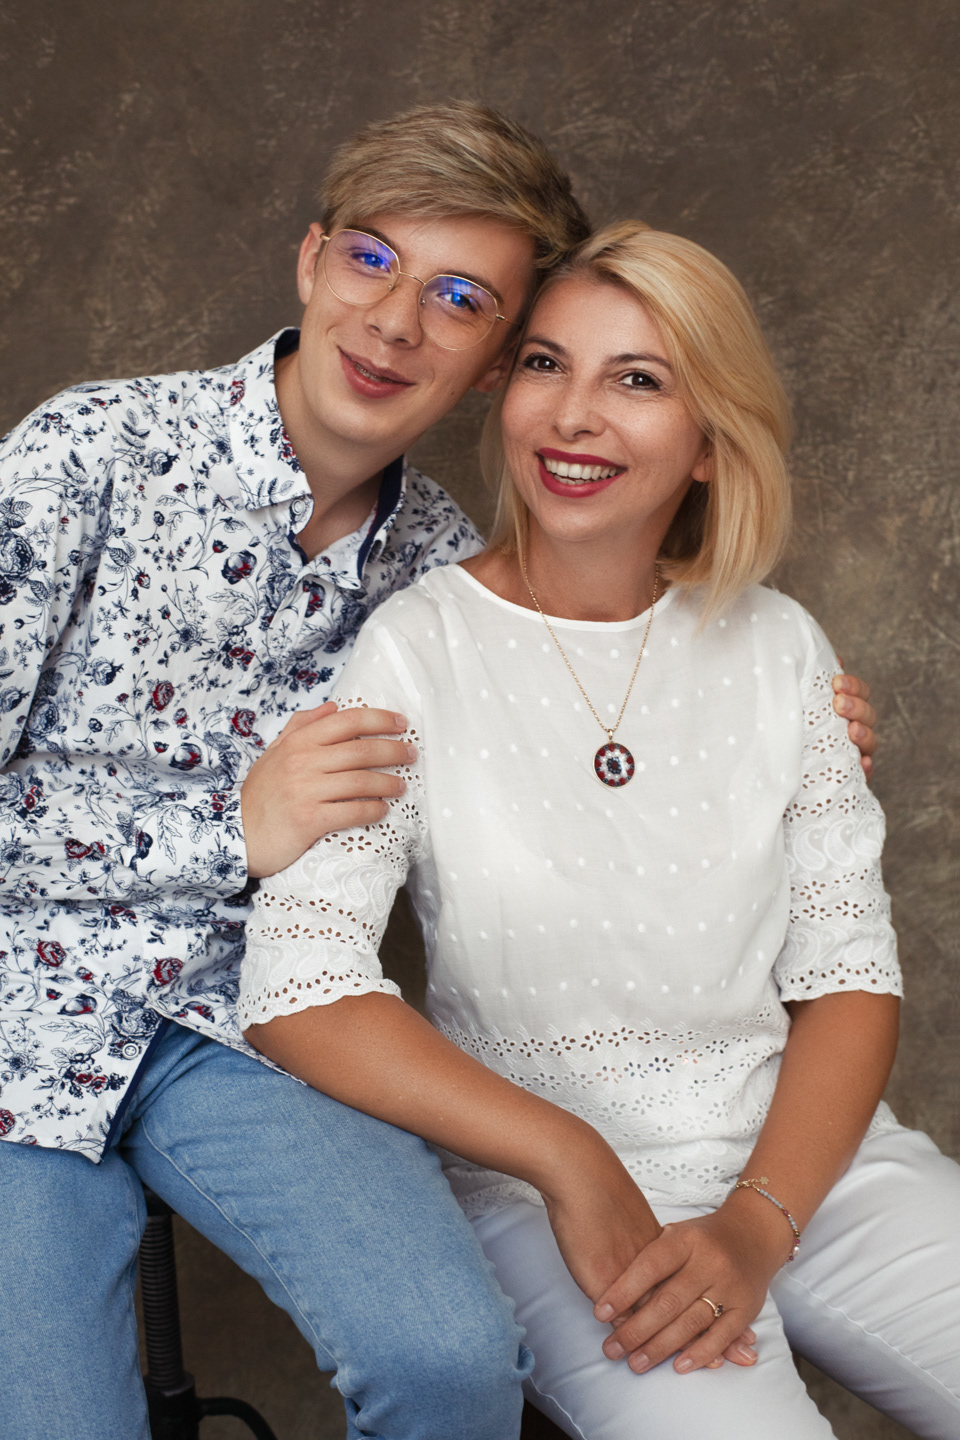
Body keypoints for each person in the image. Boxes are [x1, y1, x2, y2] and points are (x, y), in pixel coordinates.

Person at [0, 103, 875, 1439]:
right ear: (312, 261)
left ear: (490, 368)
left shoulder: (444, 575)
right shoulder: (90, 456)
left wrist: (790, 722)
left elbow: (606, 722)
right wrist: (229, 832)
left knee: (455, 1360)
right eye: (372, 261)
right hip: (17, 1017)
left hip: (242, 1029)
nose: (396, 322)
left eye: (460, 300)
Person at [239, 220, 960, 1440]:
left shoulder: (780, 646)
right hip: (542, 1192)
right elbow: (299, 989)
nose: (574, 415)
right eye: (545, 364)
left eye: (638, 380)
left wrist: (759, 1220)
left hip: (808, 1166)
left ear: (710, 445)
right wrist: (568, 1157)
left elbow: (848, 982)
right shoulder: (417, 648)